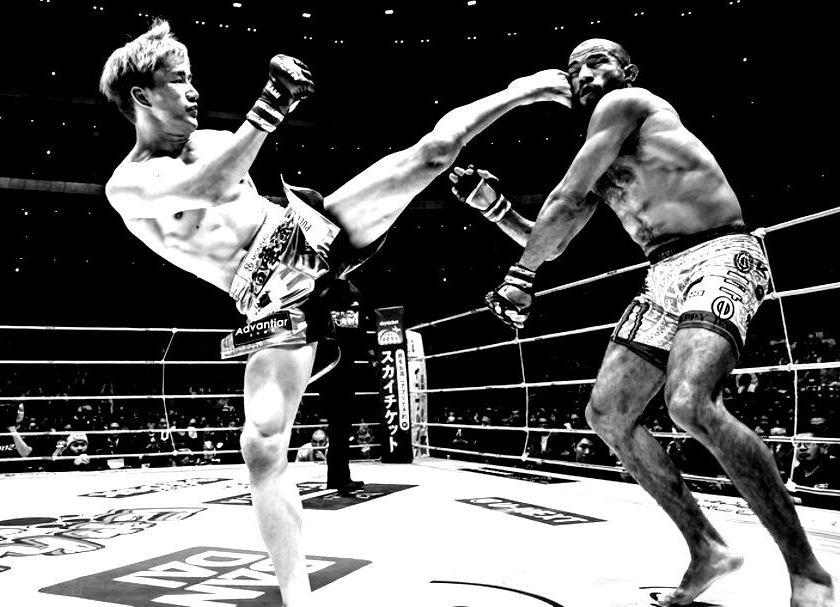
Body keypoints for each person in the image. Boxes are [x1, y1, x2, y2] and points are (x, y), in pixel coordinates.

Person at [98, 19, 570, 606]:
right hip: (273, 300)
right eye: (177, 79)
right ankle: (298, 598)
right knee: (262, 446)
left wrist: (267, 133)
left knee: (429, 154)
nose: (193, 90)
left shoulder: (219, 141)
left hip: (312, 232)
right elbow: (211, 189)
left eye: (191, 77)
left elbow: (245, 187)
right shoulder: (129, 185)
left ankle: (523, 92)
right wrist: (269, 107)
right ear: (142, 96)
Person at [451, 38, 834, 607]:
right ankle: (707, 547)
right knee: (607, 413)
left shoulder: (627, 103)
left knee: (690, 402)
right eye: (574, 68)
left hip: (719, 253)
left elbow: (564, 198)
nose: (583, 73)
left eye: (596, 61)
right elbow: (553, 238)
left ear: (627, 71)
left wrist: (519, 276)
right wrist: (495, 209)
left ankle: (809, 573)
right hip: (663, 273)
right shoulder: (603, 154)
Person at [316, 278, 369, 494]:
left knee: (342, 422)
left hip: (343, 362)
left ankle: (338, 476)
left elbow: (360, 327)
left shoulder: (353, 292)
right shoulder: (323, 292)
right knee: (339, 421)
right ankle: (339, 477)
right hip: (329, 363)